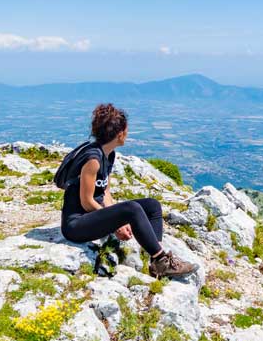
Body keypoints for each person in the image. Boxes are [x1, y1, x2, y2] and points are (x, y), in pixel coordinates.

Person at [60, 103, 197, 279]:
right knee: (132, 209)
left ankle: (156, 258)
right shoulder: (92, 159)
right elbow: (87, 202)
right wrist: (116, 222)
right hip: (76, 225)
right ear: (119, 134)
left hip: (91, 216)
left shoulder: (108, 154)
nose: (128, 134)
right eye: (126, 130)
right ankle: (162, 261)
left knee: (152, 205)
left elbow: (104, 193)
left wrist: (114, 217)